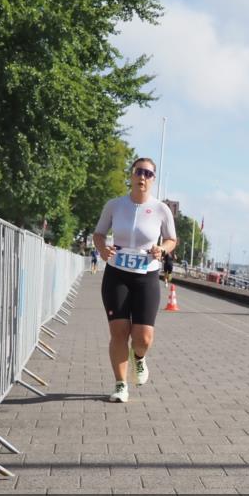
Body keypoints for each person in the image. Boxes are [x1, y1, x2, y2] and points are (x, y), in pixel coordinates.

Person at [92, 158, 177, 403]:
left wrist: (162, 249)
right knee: (119, 330)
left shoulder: (161, 209)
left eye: (148, 174)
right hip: (116, 274)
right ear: (131, 175)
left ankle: (138, 358)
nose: (143, 177)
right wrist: (102, 249)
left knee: (143, 337)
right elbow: (98, 233)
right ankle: (120, 385)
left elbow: (172, 239)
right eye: (139, 172)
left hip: (146, 276)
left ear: (153, 179)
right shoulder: (114, 205)